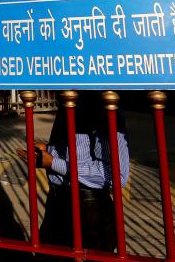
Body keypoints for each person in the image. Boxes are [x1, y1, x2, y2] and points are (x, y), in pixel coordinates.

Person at [17, 102, 129, 256]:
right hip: (57, 205)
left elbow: (116, 175)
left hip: (88, 213)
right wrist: (50, 150)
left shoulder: (104, 105)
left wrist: (54, 163)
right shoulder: (68, 103)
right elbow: (79, 151)